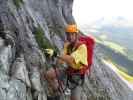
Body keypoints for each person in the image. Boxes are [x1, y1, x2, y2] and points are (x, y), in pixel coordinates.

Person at [44, 24, 88, 100]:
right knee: (48, 75)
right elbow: (62, 58)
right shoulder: (67, 45)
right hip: (68, 69)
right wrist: (56, 63)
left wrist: (55, 54)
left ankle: (59, 93)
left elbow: (71, 59)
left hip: (77, 75)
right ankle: (57, 94)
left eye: (72, 34)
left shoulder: (82, 47)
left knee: (74, 98)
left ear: (76, 35)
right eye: (68, 34)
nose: (70, 36)